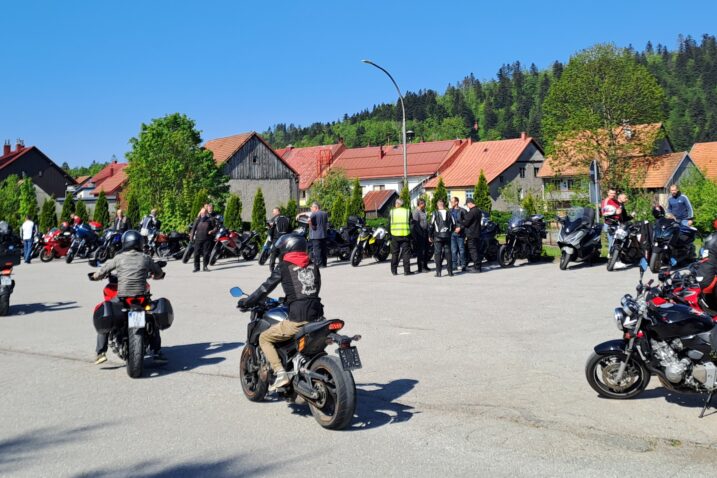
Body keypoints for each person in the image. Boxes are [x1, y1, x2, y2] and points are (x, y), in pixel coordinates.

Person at [237, 234, 323, 391]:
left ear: (288, 248)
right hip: (317, 315)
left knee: (264, 338)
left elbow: (265, 288)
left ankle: (280, 372)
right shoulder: (313, 264)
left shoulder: (284, 266)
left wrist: (248, 301)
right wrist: (289, 299)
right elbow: (312, 290)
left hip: (298, 318)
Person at [92, 230, 167, 365]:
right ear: (140, 243)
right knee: (153, 320)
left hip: (122, 298)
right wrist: (159, 275)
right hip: (142, 298)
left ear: (124, 243)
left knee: (105, 313)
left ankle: (100, 353)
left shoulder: (118, 258)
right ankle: (157, 352)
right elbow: (159, 273)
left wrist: (94, 276)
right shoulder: (145, 258)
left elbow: (102, 271)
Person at [430, 199, 455, 277]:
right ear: (444, 205)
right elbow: (454, 224)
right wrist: (450, 232)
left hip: (437, 236)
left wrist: (430, 235)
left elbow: (431, 225)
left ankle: (438, 272)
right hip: (447, 236)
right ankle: (450, 272)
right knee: (448, 253)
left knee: (438, 253)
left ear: (438, 205)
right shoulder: (450, 213)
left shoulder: (435, 213)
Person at [389, 198, 413, 276]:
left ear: (397, 204)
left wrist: (389, 235)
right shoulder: (407, 211)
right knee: (406, 254)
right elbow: (411, 224)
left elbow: (388, 224)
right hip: (405, 235)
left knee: (395, 253)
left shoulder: (392, 212)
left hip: (394, 235)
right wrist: (411, 234)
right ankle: (406, 271)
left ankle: (394, 271)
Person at [190, 207, 216, 272]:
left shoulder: (211, 219)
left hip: (207, 239)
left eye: (204, 213)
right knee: (196, 253)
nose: (202, 214)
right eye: (201, 213)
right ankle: (197, 267)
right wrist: (191, 237)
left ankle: (205, 267)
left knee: (206, 253)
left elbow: (216, 228)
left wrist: (212, 231)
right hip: (198, 239)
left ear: (206, 213)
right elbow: (193, 229)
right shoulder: (197, 220)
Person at [462, 198, 483, 273]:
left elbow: (466, 223)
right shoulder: (478, 211)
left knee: (473, 250)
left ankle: (477, 267)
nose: (467, 206)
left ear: (470, 203)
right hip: (478, 232)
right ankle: (478, 265)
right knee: (477, 250)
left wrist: (462, 221)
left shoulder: (471, 212)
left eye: (467, 205)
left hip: (471, 233)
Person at [268, 207, 291, 271]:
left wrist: (270, 238)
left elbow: (270, 230)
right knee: (282, 253)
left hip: (277, 238)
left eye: (273, 212)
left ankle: (272, 268)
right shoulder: (286, 218)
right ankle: (282, 268)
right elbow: (290, 229)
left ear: (276, 212)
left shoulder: (273, 219)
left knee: (273, 253)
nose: (273, 213)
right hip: (285, 238)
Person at [412, 199, 431, 273]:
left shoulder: (423, 211)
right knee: (421, 251)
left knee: (426, 250)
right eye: (424, 204)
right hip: (420, 234)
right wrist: (420, 233)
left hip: (425, 232)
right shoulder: (416, 212)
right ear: (420, 204)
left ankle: (425, 265)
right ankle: (421, 267)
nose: (425, 205)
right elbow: (415, 224)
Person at [450, 197, 467, 272]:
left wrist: (460, 227)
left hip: (460, 233)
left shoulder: (463, 211)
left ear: (456, 202)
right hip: (452, 233)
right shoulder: (449, 211)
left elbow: (466, 222)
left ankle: (463, 265)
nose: (451, 203)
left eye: (452, 202)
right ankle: (454, 265)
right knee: (453, 250)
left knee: (461, 249)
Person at [309, 202, 328, 267]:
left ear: (315, 207)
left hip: (315, 236)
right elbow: (326, 223)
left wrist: (310, 223)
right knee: (323, 250)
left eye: (312, 207)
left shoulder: (314, 214)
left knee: (317, 251)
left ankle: (320, 265)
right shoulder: (325, 213)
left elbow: (309, 220)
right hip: (324, 235)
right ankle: (324, 263)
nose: (311, 209)